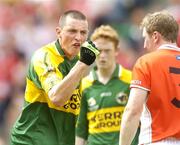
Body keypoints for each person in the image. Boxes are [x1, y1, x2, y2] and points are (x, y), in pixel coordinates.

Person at [10, 10, 99, 145]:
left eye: (83, 33)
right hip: (31, 141)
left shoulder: (83, 61)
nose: (78, 38)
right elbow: (57, 98)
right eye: (72, 31)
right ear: (59, 32)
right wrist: (82, 65)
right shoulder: (44, 57)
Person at [119, 11, 180, 145]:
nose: (144, 45)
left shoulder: (146, 62)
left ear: (155, 36)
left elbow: (133, 110)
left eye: (145, 38)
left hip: (157, 140)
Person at [75, 25, 139, 145]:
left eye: (107, 51)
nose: (102, 55)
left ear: (116, 51)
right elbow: (81, 130)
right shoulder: (84, 84)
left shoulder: (131, 80)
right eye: (99, 51)